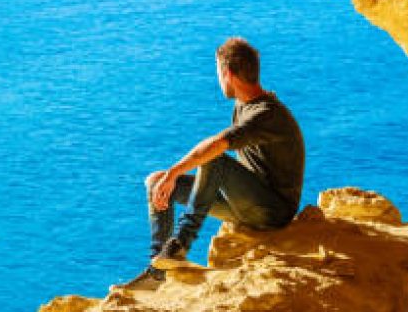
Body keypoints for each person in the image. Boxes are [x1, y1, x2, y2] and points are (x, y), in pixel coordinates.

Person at [122, 37, 305, 291]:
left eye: (218, 72)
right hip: (245, 203)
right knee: (156, 182)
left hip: (273, 211)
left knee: (214, 157)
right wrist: (167, 178)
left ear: (227, 73)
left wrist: (175, 172)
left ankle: (180, 244)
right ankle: (158, 270)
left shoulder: (266, 113)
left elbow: (217, 145)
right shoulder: (244, 105)